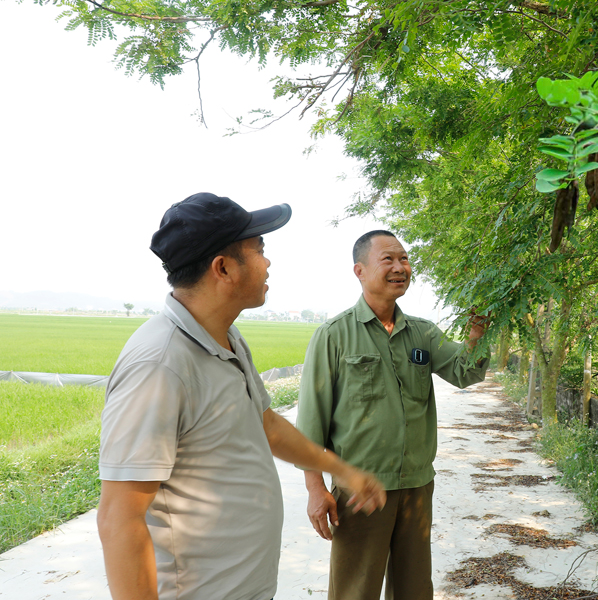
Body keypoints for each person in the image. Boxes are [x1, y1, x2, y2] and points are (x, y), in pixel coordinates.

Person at [97, 193, 386, 600]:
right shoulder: (160, 365)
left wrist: (342, 471)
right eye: (260, 250)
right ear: (224, 267)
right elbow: (119, 519)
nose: (268, 263)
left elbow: (266, 425)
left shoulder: (227, 337)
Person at [296, 230, 489, 600]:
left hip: (416, 486)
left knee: (414, 589)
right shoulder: (333, 336)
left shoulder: (422, 333)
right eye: (388, 259)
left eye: (404, 259)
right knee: (355, 591)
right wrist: (315, 488)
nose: (400, 267)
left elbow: (464, 372)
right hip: (360, 490)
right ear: (360, 270)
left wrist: (476, 337)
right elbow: (310, 425)